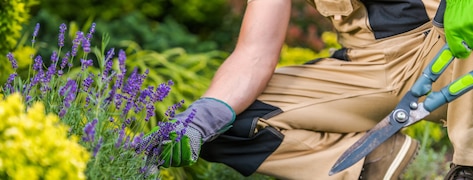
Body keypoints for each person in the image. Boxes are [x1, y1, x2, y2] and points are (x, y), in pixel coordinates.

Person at [147, 0, 473, 179]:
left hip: (445, 42)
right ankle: (368, 163)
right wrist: (204, 117)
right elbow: (254, 53)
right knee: (230, 126)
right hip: (368, 65)